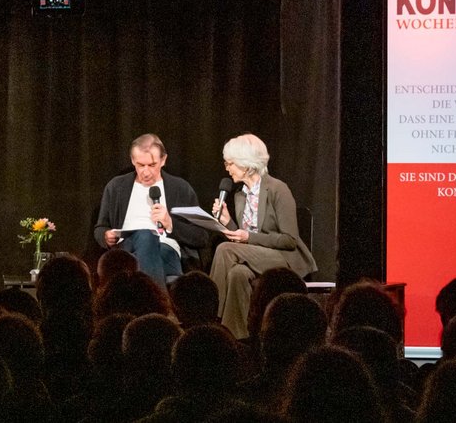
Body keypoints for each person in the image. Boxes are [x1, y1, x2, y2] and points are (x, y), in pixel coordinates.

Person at [209, 133, 316, 339]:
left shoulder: (277, 189)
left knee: (224, 249)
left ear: (247, 165)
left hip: (283, 258)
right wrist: (227, 222)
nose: (227, 168)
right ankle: (237, 337)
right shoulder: (240, 195)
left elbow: (289, 240)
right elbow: (242, 238)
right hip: (254, 258)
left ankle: (210, 317)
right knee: (237, 274)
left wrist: (247, 237)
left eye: (230, 163)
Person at [93, 133, 208, 286]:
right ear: (133, 160)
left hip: (165, 249)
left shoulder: (180, 188)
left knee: (147, 236)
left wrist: (170, 224)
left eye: (152, 165)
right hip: (125, 248)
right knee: (143, 236)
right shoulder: (116, 187)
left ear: (163, 160)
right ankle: (159, 305)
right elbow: (100, 228)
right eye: (141, 165)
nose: (146, 172)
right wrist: (106, 236)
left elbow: (201, 237)